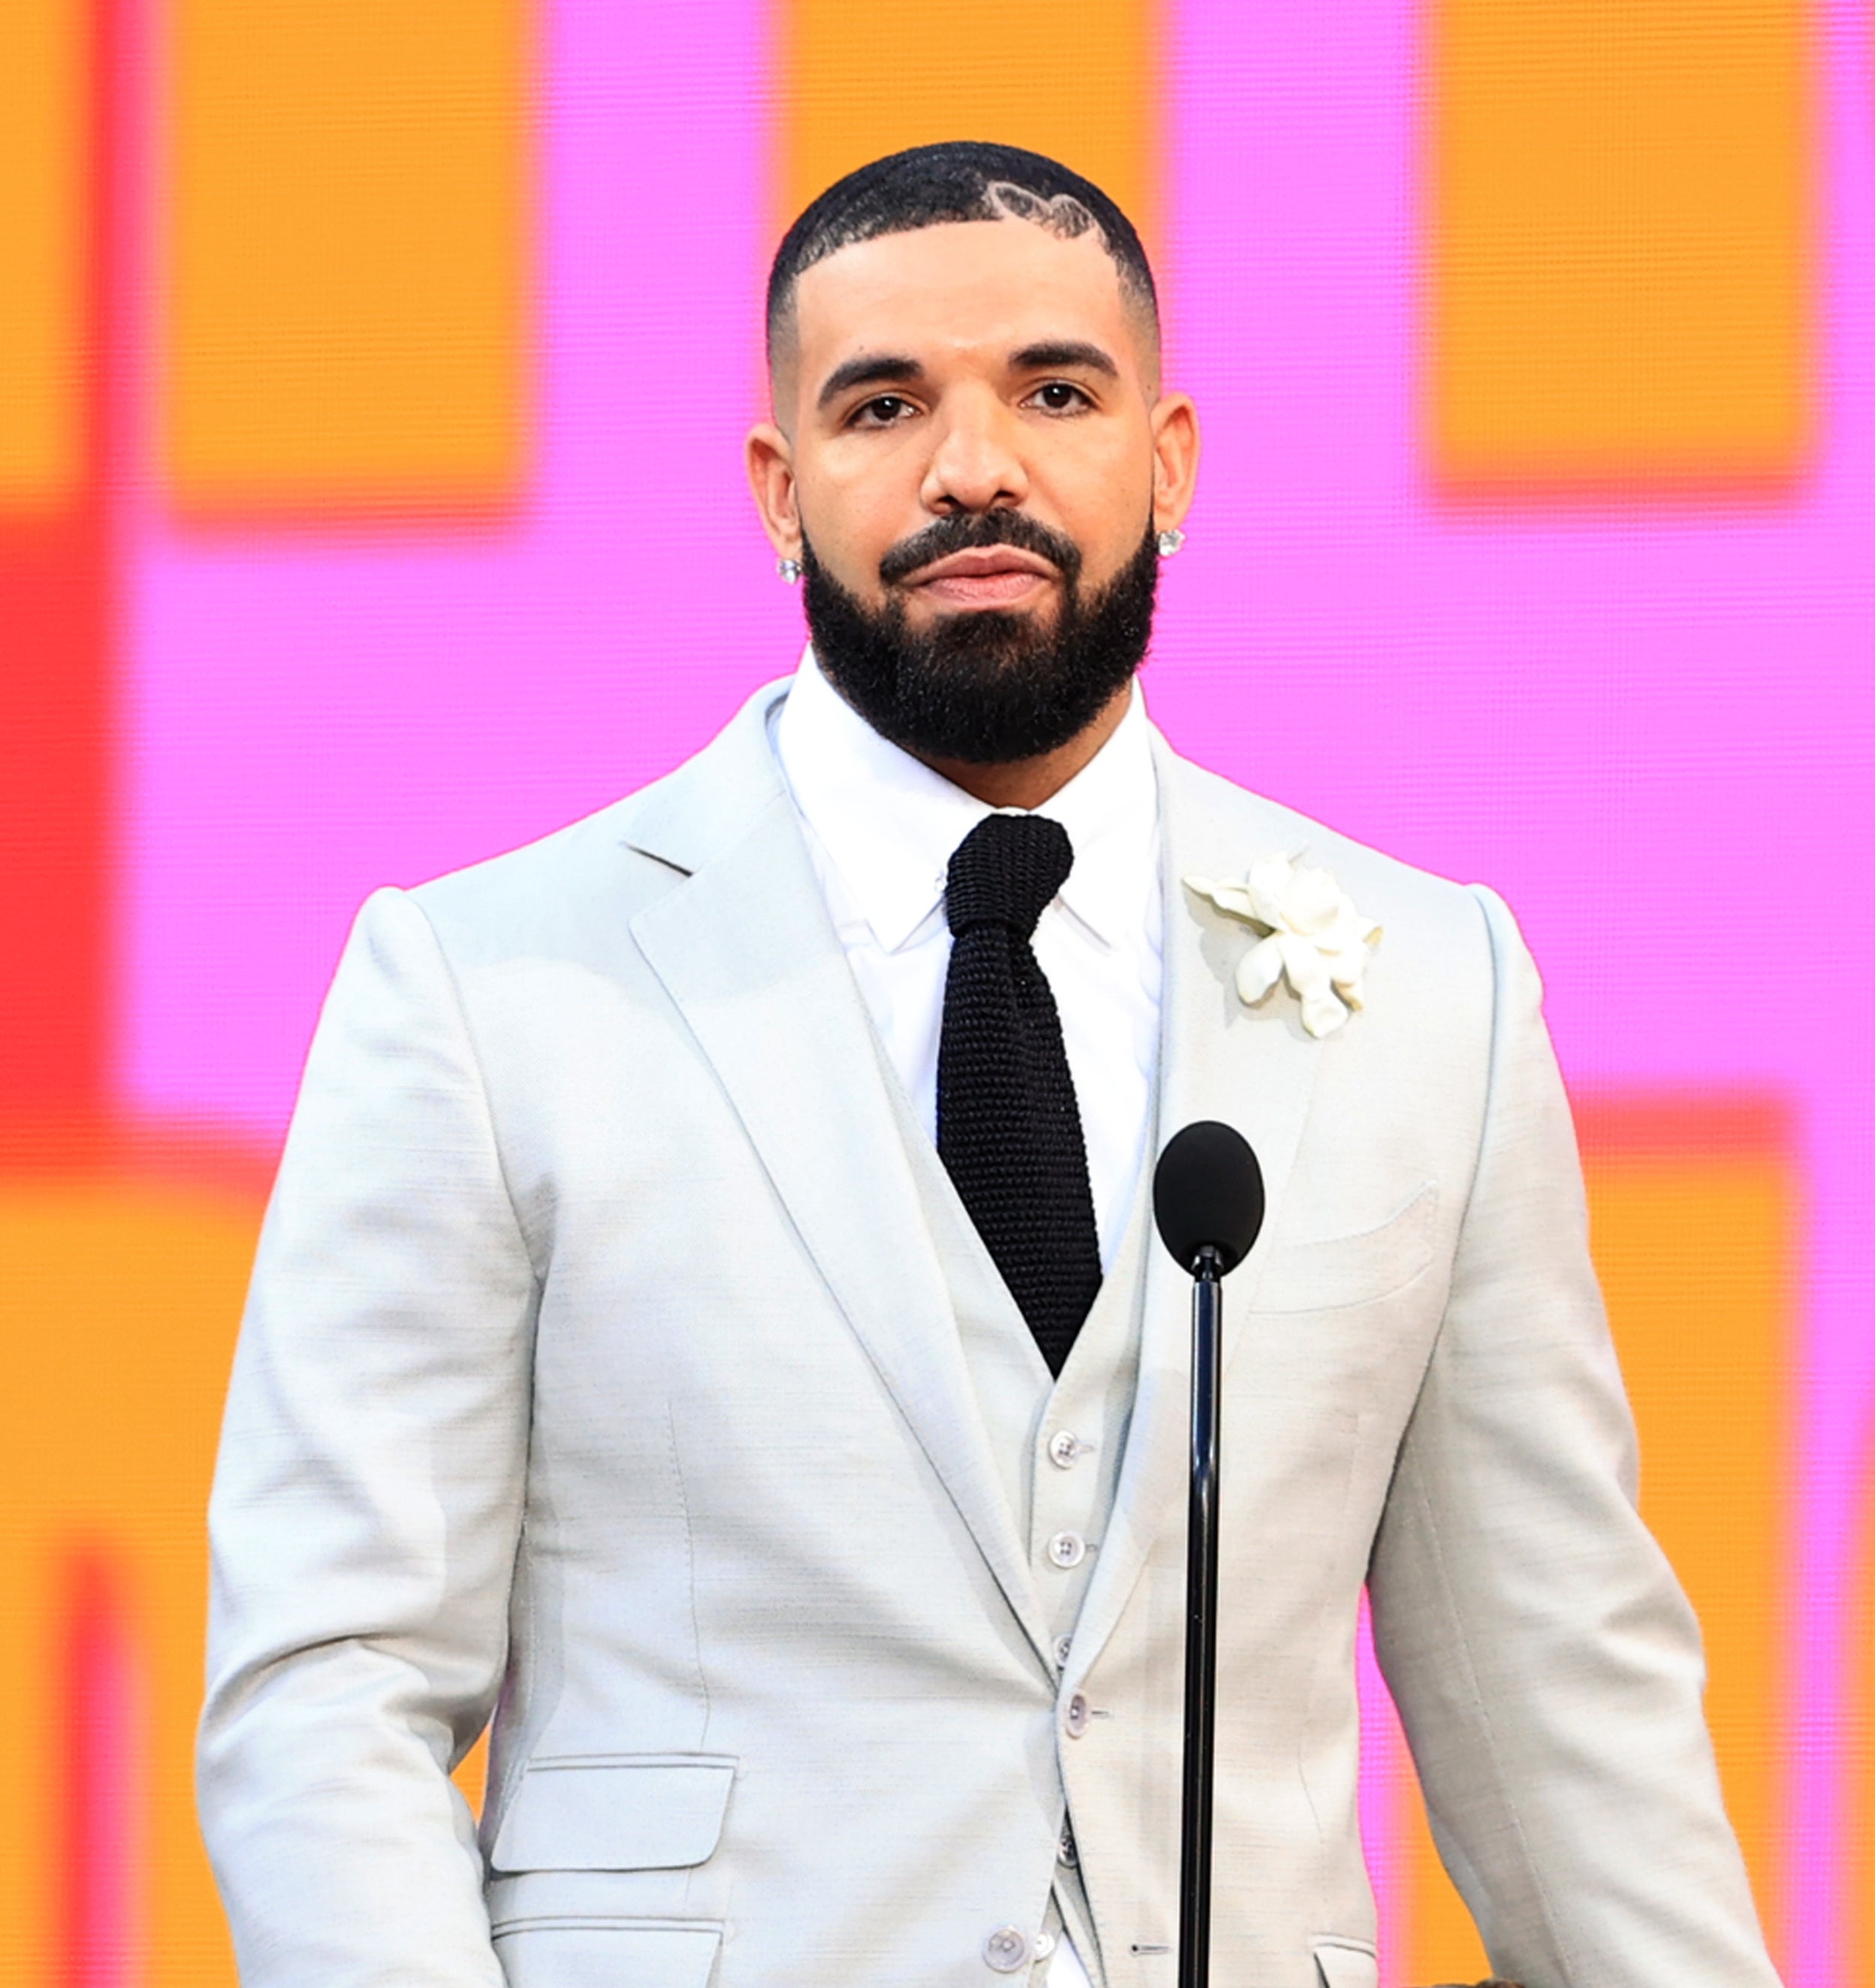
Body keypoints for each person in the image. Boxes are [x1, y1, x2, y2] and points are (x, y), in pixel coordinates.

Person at [197, 143, 1780, 1988]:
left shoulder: (1437, 988)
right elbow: (334, 1682)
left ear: (1168, 459)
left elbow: (1556, 1689)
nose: (976, 466)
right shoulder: (487, 989)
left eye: (1054, 389)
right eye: (885, 406)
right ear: (781, 491)